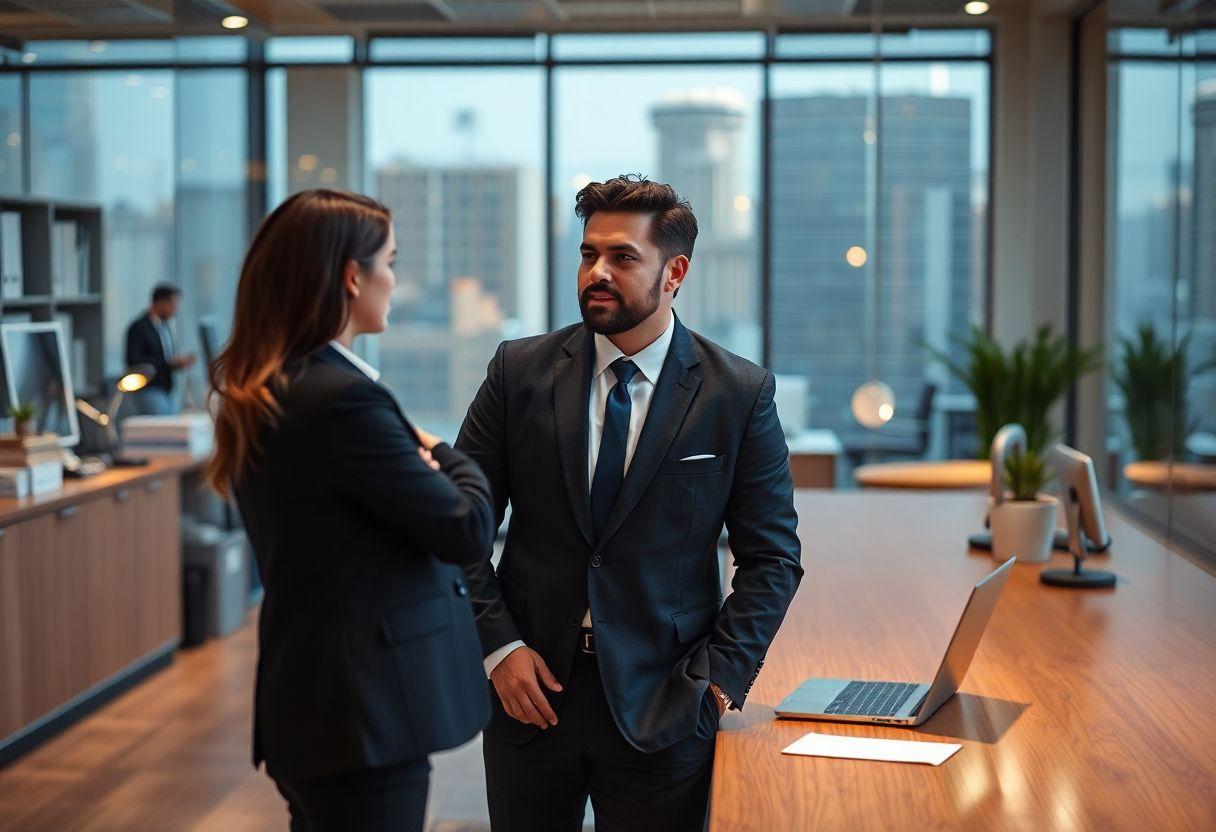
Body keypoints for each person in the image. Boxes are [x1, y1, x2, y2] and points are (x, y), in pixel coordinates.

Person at [456, 175, 803, 831]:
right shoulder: (517, 372)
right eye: (590, 254)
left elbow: (773, 558)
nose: (597, 272)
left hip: (666, 704)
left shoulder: (738, 392)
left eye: (622, 257)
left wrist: (717, 680)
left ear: (674, 272)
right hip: (528, 695)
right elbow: (459, 529)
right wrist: (497, 649)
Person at [206, 189, 496, 832]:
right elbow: (466, 527)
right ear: (351, 275)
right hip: (361, 714)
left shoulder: (277, 382)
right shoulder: (343, 401)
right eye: (389, 261)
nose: (396, 280)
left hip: (313, 703)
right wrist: (441, 449)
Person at [125, 283, 196, 415]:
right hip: (150, 390)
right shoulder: (139, 327)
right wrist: (169, 363)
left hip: (167, 389)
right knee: (160, 430)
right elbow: (134, 360)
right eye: (173, 305)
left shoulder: (164, 327)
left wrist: (177, 364)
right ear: (160, 302)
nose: (175, 310)